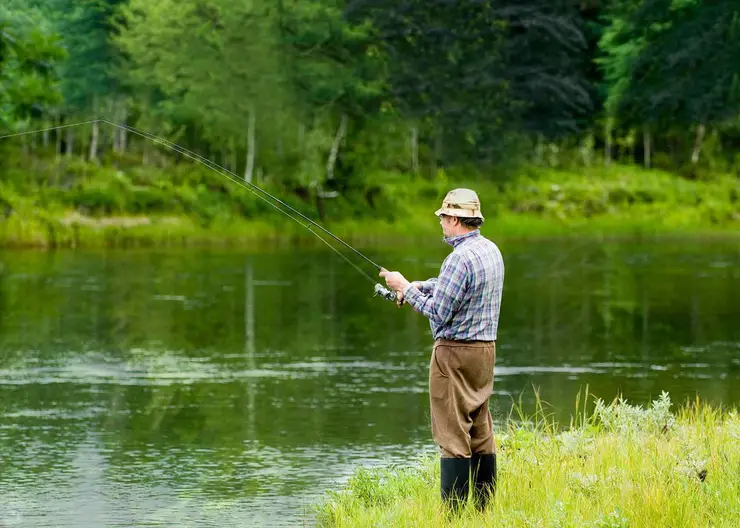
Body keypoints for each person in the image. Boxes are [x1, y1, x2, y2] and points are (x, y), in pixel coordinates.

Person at [379, 188, 504, 512]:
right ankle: (484, 509)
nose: (441, 224)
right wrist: (424, 285)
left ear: (455, 219)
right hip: (484, 354)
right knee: (480, 430)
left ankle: (455, 515)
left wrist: (404, 286)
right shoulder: (490, 250)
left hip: (454, 356)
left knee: (451, 437)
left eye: (443, 218)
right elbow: (458, 289)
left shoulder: (458, 258)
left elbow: (438, 312)